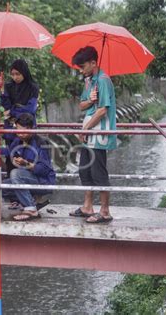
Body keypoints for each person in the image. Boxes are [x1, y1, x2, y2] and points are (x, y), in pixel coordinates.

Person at [68, 46, 117, 223]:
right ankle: (87, 206)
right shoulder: (90, 81)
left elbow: (103, 110)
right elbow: (81, 105)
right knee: (85, 169)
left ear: (93, 62)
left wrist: (86, 129)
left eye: (82, 66)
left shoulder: (103, 80)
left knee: (98, 171)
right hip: (89, 131)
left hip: (98, 131)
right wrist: (91, 100)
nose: (81, 70)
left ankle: (105, 211)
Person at [1, 113, 56, 221]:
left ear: (31, 128)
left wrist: (26, 164)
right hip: (29, 178)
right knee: (1, 187)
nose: (20, 133)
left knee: (15, 174)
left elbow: (44, 170)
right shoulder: (18, 140)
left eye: (23, 130)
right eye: (17, 130)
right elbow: (9, 151)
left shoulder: (40, 142)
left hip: (43, 181)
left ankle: (31, 209)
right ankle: (33, 201)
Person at [0, 59, 40, 175]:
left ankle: (29, 189)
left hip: (26, 128)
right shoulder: (9, 86)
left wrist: (12, 111)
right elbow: (6, 106)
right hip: (12, 129)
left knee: (28, 156)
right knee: (11, 157)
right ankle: (12, 189)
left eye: (18, 74)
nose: (15, 77)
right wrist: (2, 90)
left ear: (24, 73)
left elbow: (30, 109)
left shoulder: (33, 87)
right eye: (13, 74)